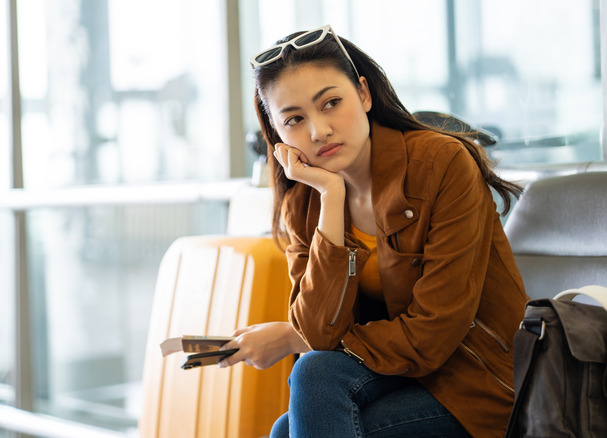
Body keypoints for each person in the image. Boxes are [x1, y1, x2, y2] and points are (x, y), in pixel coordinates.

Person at [218, 24, 530, 438]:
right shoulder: (304, 202)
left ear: (363, 94)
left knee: (302, 398)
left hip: (478, 378)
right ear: (276, 136)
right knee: (289, 422)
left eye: (331, 103)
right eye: (294, 119)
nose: (318, 131)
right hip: (397, 375)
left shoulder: (441, 164)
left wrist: (295, 340)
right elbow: (317, 331)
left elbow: (435, 332)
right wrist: (331, 197)